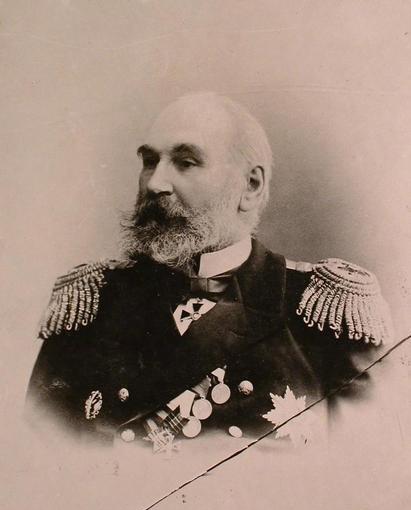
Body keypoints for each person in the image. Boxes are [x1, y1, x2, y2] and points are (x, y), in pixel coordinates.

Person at [26, 92, 392, 451]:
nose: (154, 183)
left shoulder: (325, 320)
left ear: (251, 186)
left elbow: (365, 472)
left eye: (185, 163)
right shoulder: (93, 306)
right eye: (150, 161)